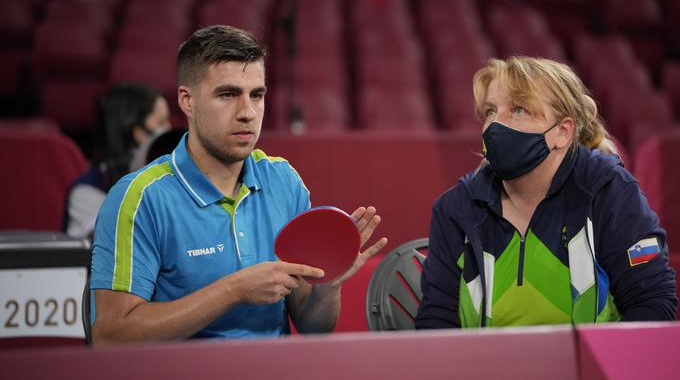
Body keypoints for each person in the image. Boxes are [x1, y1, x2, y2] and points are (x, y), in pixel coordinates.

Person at [89, 25, 388, 343]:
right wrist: (233, 290)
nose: (247, 112)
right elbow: (110, 337)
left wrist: (327, 289)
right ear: (187, 101)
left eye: (256, 95)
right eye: (228, 94)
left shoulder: (283, 180)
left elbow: (314, 326)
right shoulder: (138, 198)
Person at [415, 56, 677, 329]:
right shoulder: (455, 209)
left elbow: (652, 303)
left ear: (562, 132)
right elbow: (435, 323)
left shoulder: (608, 191)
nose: (494, 125)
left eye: (518, 110)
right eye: (491, 111)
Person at [63, 83, 171, 239]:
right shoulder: (88, 190)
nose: (168, 129)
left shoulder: (172, 175)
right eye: (161, 122)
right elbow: (102, 244)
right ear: (136, 131)